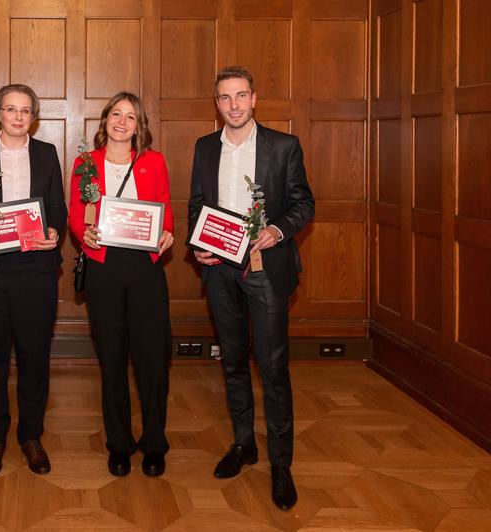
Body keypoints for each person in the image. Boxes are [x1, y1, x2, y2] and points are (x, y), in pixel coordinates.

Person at [188, 66, 315, 510]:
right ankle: (244, 443)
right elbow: (197, 206)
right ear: (217, 103)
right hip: (219, 270)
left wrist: (278, 231)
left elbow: (303, 203)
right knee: (233, 361)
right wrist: (198, 244)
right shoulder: (205, 147)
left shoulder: (284, 146)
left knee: (274, 368)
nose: (234, 105)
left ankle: (281, 464)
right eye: (225, 98)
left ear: (254, 98)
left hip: (266, 271)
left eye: (241, 96)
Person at [0, 84, 67, 476]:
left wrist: (53, 232)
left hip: (36, 271)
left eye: (25, 110)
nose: (18, 116)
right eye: (10, 109)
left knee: (35, 357)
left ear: (33, 116)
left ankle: (31, 436)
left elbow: (57, 206)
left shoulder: (47, 153)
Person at [68, 92, 174, 477]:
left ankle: (154, 443)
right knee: (112, 357)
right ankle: (119, 443)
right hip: (104, 267)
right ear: (105, 120)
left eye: (131, 116)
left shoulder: (153, 162)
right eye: (116, 114)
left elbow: (165, 208)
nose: (122, 121)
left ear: (139, 125)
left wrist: (167, 234)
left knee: (151, 359)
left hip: (145, 268)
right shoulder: (86, 164)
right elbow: (76, 214)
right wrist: (85, 234)